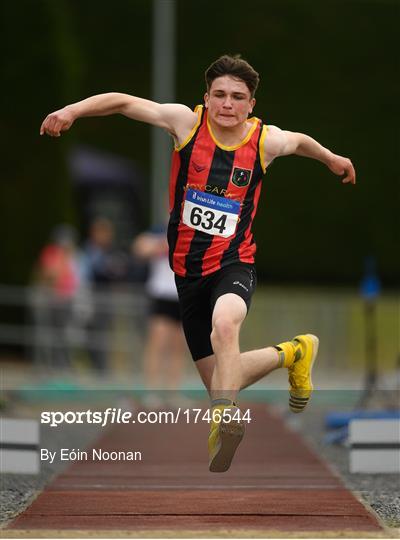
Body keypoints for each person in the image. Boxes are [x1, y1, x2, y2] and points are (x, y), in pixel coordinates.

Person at [40, 54, 356, 472]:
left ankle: (223, 420)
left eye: (237, 97)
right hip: (187, 275)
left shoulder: (264, 141)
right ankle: (295, 352)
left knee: (225, 326)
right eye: (220, 95)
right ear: (206, 98)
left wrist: (332, 159)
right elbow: (123, 102)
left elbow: (298, 141)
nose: (227, 104)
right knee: (224, 375)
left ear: (251, 105)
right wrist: (72, 110)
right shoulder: (186, 124)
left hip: (234, 263)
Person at [132, 226, 187, 408]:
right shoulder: (160, 231)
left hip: (184, 295)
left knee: (179, 348)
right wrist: (163, 245)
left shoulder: (191, 231)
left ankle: (173, 393)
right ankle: (152, 392)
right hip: (162, 296)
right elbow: (139, 248)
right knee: (157, 345)